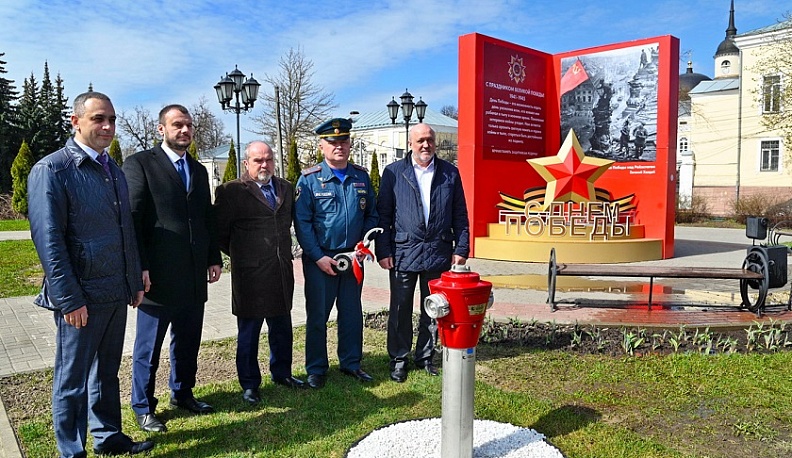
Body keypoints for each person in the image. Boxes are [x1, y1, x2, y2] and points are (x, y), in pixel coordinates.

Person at [27, 91, 154, 457]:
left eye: (112, 119)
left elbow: (124, 229)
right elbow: (49, 240)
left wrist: (133, 279)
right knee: (72, 381)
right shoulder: (52, 170)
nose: (107, 127)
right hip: (81, 299)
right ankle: (72, 450)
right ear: (76, 121)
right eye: (99, 118)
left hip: (115, 291)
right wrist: (69, 299)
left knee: (107, 374)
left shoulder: (112, 169)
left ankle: (108, 437)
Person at [123, 104, 222, 433]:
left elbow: (205, 217)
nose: (185, 131)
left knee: (188, 340)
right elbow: (133, 218)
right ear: (161, 129)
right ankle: (143, 406)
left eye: (189, 126)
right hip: (158, 277)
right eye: (177, 125)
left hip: (193, 276)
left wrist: (213, 257)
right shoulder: (140, 164)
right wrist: (139, 266)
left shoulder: (198, 170)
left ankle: (183, 392)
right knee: (148, 347)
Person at [375, 123, 470, 383]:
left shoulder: (450, 173)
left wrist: (462, 248)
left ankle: (425, 357)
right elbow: (383, 215)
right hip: (404, 252)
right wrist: (383, 249)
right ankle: (398, 359)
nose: (425, 145)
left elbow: (460, 214)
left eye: (429, 140)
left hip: (439, 251)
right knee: (400, 308)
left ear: (435, 142)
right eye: (420, 141)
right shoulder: (394, 173)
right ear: (410, 144)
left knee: (434, 308)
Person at [214, 141, 306, 404]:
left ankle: (282, 373)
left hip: (280, 272)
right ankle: (250, 384)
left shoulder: (286, 188)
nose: (264, 165)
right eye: (258, 160)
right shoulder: (231, 191)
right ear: (247, 163)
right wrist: (244, 255)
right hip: (249, 276)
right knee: (249, 333)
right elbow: (220, 233)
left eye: (268, 159)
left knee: (281, 328)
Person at [293, 117, 378, 389]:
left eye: (343, 141)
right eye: (332, 142)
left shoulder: (361, 177)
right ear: (322, 146)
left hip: (353, 258)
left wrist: (364, 245)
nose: (338, 146)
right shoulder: (309, 180)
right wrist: (318, 257)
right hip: (321, 260)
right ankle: (316, 368)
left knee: (352, 312)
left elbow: (371, 214)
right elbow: (302, 223)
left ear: (349, 144)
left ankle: (351, 363)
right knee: (318, 315)